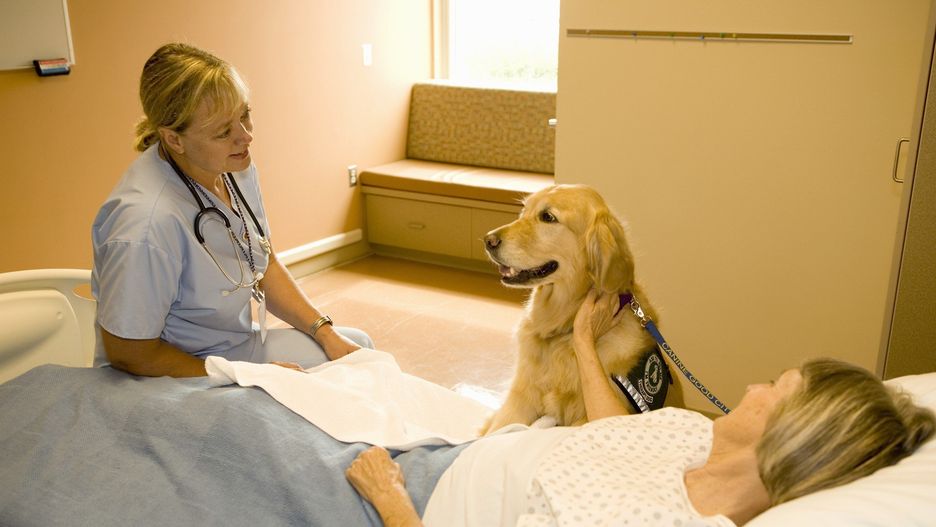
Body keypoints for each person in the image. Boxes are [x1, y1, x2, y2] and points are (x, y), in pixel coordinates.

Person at [344, 290, 936, 526]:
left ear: (791, 433)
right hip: (460, 457)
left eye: (775, 387)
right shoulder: (691, 437)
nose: (753, 387)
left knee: (252, 417)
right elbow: (619, 436)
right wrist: (583, 342)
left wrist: (389, 496)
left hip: (415, 500)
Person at [91, 43, 372, 377]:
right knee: (306, 398)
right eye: (224, 131)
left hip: (232, 346)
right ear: (174, 139)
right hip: (166, 375)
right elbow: (130, 353)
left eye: (245, 115)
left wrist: (325, 333)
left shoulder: (230, 167)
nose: (246, 136)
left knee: (358, 352)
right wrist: (245, 376)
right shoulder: (145, 225)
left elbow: (262, 262)